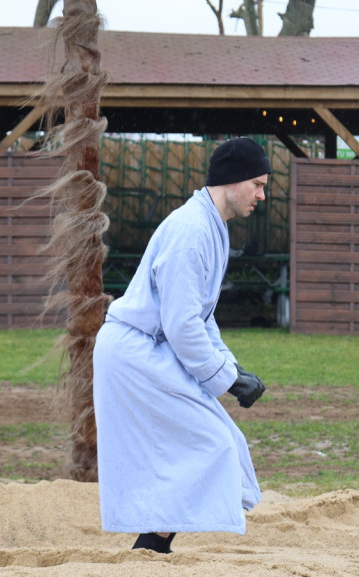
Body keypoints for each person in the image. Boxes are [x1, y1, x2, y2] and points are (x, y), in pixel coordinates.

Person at [93, 137, 270, 554]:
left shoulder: (211, 226)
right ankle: (151, 546)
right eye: (258, 184)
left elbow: (200, 317)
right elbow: (181, 325)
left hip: (147, 351)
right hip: (134, 355)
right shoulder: (192, 231)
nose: (263, 195)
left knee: (210, 441)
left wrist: (232, 368)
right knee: (212, 441)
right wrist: (227, 379)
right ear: (233, 180)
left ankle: (152, 547)